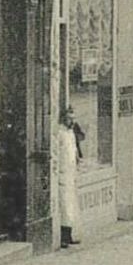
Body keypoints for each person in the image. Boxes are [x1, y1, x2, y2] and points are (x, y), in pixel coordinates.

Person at [55, 106, 83, 248]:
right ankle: (63, 237)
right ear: (63, 119)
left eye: (73, 119)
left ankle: (70, 234)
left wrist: (77, 158)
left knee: (71, 206)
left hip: (71, 174)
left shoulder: (70, 133)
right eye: (69, 119)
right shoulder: (59, 133)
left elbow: (74, 151)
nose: (71, 121)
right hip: (62, 174)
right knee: (64, 206)